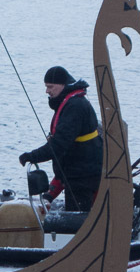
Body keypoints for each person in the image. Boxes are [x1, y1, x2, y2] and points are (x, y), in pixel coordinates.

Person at [18, 66, 103, 213]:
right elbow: (66, 154)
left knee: (78, 221)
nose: (47, 91)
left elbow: (58, 145)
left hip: (83, 179)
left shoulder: (74, 107)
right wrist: (49, 196)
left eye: (50, 87)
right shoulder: (72, 102)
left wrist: (31, 156)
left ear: (62, 85)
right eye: (46, 87)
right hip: (81, 174)